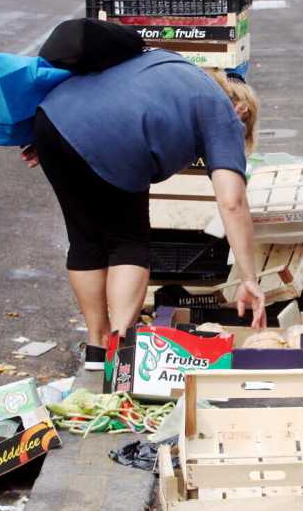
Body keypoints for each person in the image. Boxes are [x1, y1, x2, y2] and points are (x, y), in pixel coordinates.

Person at [21, 49, 264, 369]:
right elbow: (232, 201)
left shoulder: (174, 69)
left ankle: (96, 346)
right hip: (117, 136)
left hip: (52, 122)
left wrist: (56, 135)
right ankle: (119, 348)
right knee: (129, 241)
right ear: (241, 110)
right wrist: (248, 277)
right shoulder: (224, 113)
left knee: (85, 239)